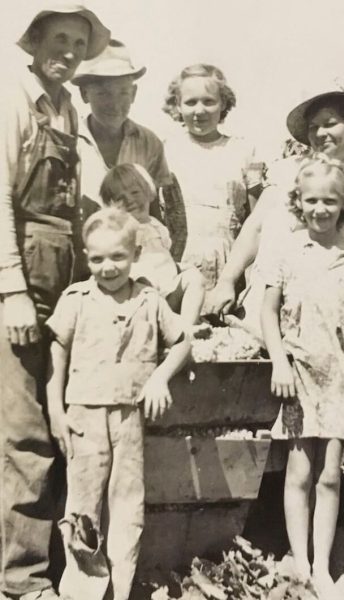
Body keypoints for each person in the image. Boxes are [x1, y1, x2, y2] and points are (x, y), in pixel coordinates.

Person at [0, 4, 110, 599]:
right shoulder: (12, 97)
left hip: (61, 274)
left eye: (77, 42)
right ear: (35, 41)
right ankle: (21, 581)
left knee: (56, 422)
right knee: (23, 431)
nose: (67, 50)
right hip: (20, 279)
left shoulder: (65, 107)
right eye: (58, 39)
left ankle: (55, 566)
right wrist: (10, 288)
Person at [46, 208, 191, 600]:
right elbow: (56, 355)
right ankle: (83, 591)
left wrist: (160, 376)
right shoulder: (76, 299)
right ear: (86, 256)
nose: (107, 267)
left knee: (128, 507)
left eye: (117, 257)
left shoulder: (150, 299)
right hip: (83, 418)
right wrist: (56, 410)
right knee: (82, 508)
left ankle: (120, 590)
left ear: (135, 253)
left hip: (129, 418)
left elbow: (182, 343)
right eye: (96, 259)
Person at [208, 88, 344, 361]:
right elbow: (255, 227)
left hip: (332, 323)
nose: (321, 133)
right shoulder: (288, 171)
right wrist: (227, 280)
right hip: (264, 314)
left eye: (330, 123)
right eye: (313, 126)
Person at [260, 157, 344, 599]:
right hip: (300, 374)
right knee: (299, 474)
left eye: (330, 200)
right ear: (299, 202)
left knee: (330, 477)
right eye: (312, 200)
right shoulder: (288, 252)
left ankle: (324, 566)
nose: (321, 209)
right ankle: (301, 564)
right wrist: (279, 362)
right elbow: (269, 313)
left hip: (339, 380)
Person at [71, 39, 186, 259]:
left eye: (122, 93)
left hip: (136, 261)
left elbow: (159, 212)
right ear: (85, 94)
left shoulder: (149, 142)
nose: (114, 104)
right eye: (103, 94)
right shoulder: (70, 140)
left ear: (133, 93)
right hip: (82, 257)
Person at [162, 63, 265, 297]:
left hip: (229, 263)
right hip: (177, 259)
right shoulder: (166, 151)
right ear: (177, 105)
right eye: (190, 102)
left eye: (209, 101)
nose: (200, 110)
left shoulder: (243, 151)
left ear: (224, 104)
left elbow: (255, 219)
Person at [99, 163, 205, 328]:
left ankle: (186, 327)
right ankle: (158, 329)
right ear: (110, 204)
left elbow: (164, 256)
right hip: (141, 297)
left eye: (135, 192)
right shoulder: (123, 229)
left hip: (168, 290)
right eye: (120, 198)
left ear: (149, 193)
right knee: (141, 281)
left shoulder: (156, 225)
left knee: (194, 277)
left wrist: (179, 268)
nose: (129, 200)